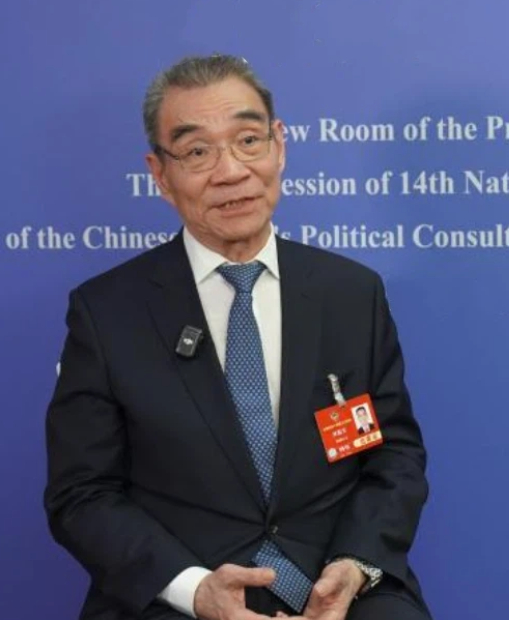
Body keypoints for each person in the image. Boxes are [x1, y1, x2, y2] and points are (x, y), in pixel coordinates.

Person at [43, 54, 432, 620]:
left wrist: (353, 567)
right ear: (160, 175)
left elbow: (392, 455)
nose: (230, 171)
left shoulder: (351, 293)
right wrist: (195, 589)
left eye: (249, 140)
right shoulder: (107, 313)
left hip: (338, 586)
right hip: (180, 593)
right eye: (198, 152)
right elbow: (82, 494)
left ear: (280, 146)